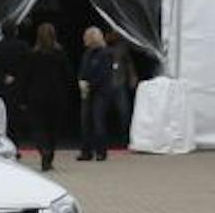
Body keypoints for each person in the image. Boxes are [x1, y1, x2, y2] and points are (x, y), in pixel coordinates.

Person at [21, 23, 76, 171]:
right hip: (57, 96)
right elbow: (69, 76)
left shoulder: (33, 55)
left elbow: (26, 77)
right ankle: (49, 154)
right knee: (53, 128)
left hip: (36, 96)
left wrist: (22, 97)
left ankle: (43, 149)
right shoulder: (60, 54)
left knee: (38, 127)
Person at [77, 26, 114, 161]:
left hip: (100, 93)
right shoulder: (87, 54)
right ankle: (86, 151)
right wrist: (81, 81)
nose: (84, 40)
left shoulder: (105, 54)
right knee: (85, 122)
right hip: (87, 92)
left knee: (98, 122)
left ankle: (101, 151)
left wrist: (90, 84)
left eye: (86, 37)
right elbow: (82, 70)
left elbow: (104, 75)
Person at [104, 29, 138, 147]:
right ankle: (103, 139)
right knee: (103, 113)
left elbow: (129, 63)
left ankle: (124, 138)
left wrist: (132, 77)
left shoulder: (122, 48)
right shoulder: (102, 48)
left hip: (119, 83)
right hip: (105, 85)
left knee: (124, 112)